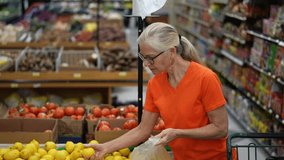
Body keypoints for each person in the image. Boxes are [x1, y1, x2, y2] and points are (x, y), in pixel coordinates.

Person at [86, 22, 228, 160]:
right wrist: (107, 147)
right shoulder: (155, 83)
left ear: (172, 51)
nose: (146, 64)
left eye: (150, 58)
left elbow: (221, 129)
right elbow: (143, 130)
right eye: (143, 57)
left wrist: (179, 133)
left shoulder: (205, 78)